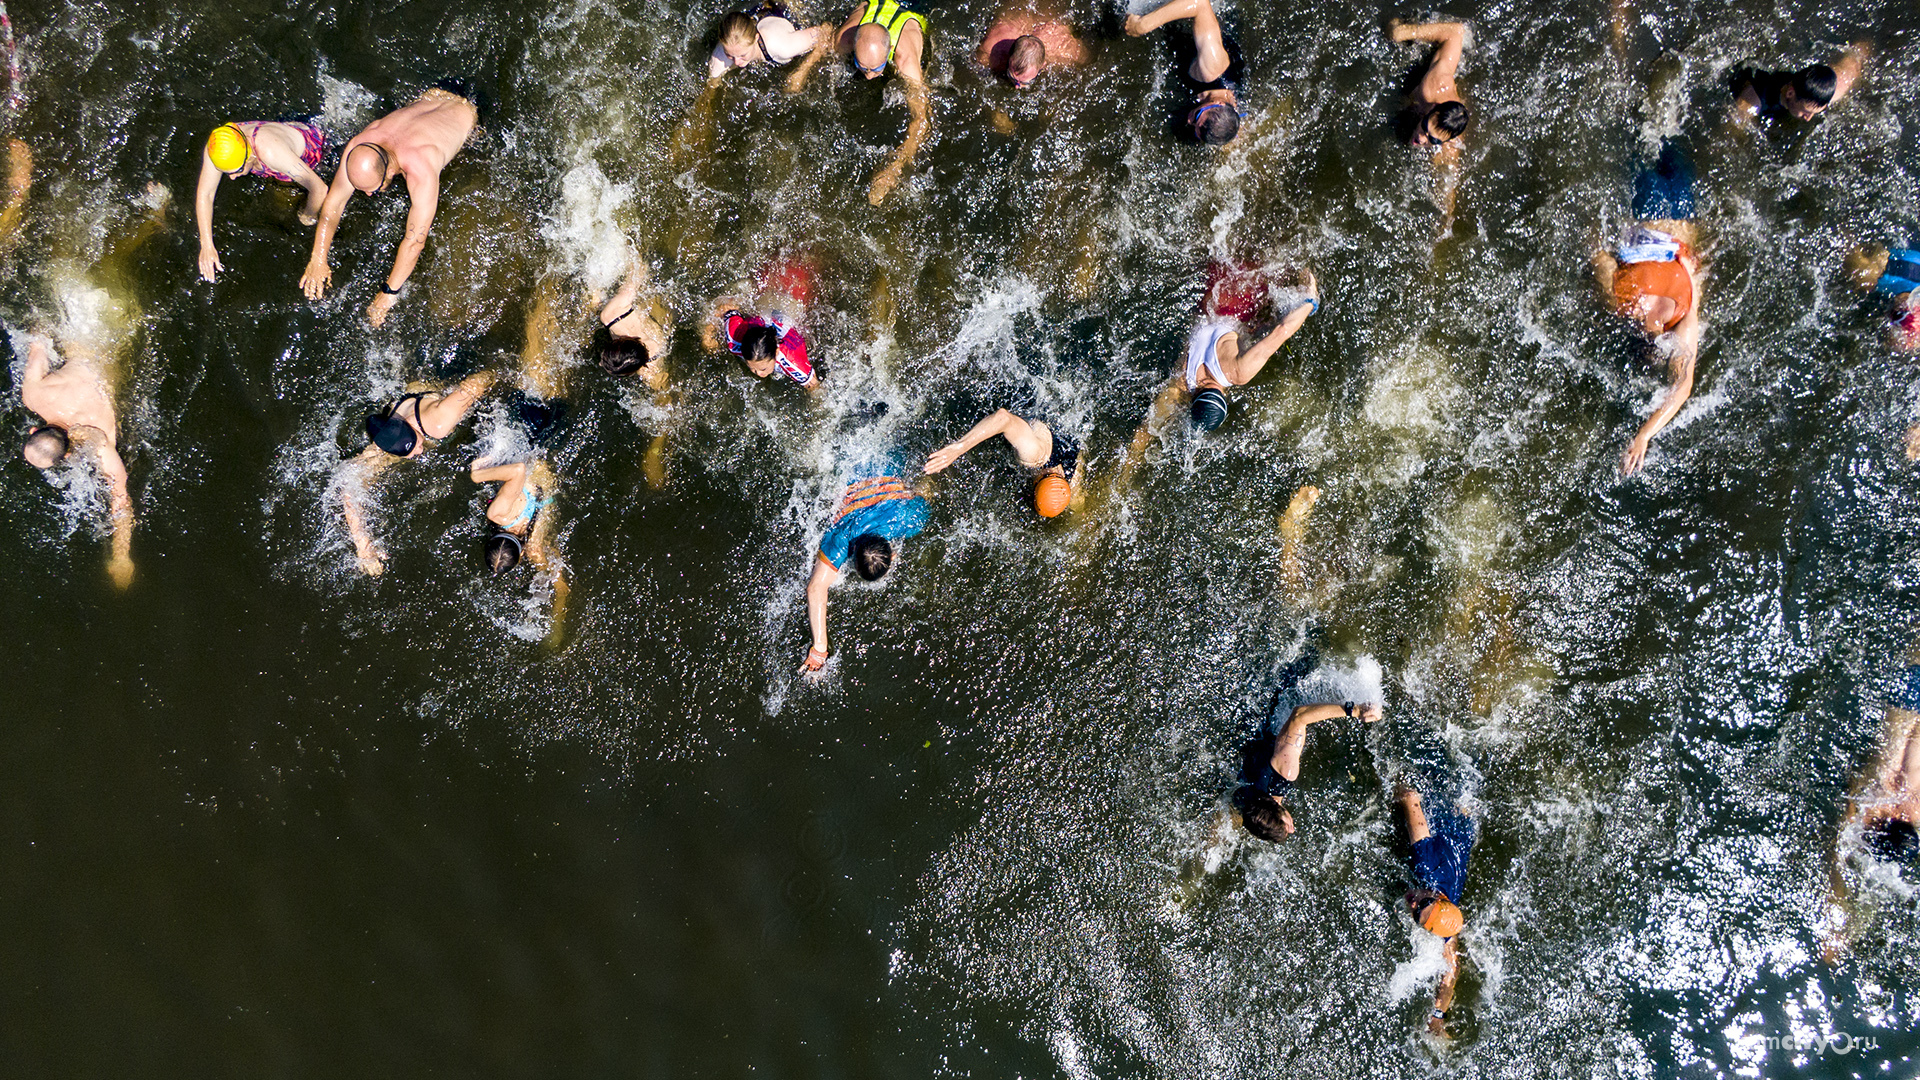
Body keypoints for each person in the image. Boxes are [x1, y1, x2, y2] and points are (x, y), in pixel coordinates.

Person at [299, 83, 481, 327]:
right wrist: (318, 258)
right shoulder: (360, 144)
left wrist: (388, 294)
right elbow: (334, 202)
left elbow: (415, 241)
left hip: (471, 114)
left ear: (388, 171)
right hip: (434, 94)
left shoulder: (422, 169)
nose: (368, 195)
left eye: (371, 189)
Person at [1593, 140, 1703, 476]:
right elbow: (1600, 257)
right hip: (1648, 213)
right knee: (1648, 134)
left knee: (1664, 135)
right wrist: (1643, 435)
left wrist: (1644, 434)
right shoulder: (1622, 304)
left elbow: (1683, 386)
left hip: (1682, 222)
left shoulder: (1681, 315)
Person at [1129, 268, 1317, 452]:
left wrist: (1310, 302)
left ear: (1224, 400)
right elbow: (1144, 432)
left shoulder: (1236, 372)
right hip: (1209, 296)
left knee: (1278, 271)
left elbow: (1281, 331)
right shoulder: (1180, 382)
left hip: (1241, 304)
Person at [338, 370, 494, 576]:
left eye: (417, 444)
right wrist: (363, 546)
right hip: (414, 392)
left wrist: (496, 383)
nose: (420, 451)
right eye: (411, 453)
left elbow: (479, 381)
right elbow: (348, 486)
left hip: (440, 390)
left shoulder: (439, 422)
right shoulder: (383, 446)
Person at [18, 335, 134, 588]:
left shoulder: (100, 440)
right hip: (82, 332)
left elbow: (121, 500)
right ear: (33, 432)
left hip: (119, 347)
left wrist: (122, 558)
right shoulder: (33, 396)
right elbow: (38, 339)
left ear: (68, 455)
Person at [1822, 663, 1920, 960]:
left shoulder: (1885, 798)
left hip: (1910, 691)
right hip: (1908, 692)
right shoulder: (1871, 799)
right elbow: (1836, 853)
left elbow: (1837, 854)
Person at [789, 1, 931, 203]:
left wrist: (894, 168)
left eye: (876, 68)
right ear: (854, 46)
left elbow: (921, 120)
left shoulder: (906, 61)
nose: (869, 76)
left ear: (889, 50)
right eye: (861, 67)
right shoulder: (844, 39)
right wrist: (800, 73)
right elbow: (824, 37)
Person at [799, 468, 931, 674]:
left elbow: (817, 588)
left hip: (870, 471)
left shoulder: (909, 520)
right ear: (893, 555)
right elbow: (814, 589)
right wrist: (819, 651)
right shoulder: (842, 540)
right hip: (878, 470)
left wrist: (820, 649)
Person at [193, 119, 329, 281]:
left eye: (237, 170)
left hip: (315, 150)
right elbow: (205, 194)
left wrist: (308, 215)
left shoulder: (271, 153)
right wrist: (207, 244)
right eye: (226, 172)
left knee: (283, 210)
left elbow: (319, 189)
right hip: (283, 139)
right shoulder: (219, 145)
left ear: (250, 156)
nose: (232, 177)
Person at [1233, 699, 1383, 841]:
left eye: (1288, 825)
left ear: (1276, 809)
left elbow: (1299, 716)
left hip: (1278, 701)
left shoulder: (1283, 773)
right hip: (1248, 721)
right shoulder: (1243, 800)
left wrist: (1355, 710)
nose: (1292, 829)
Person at [1397, 781, 1478, 1039]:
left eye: (1417, 915)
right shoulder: (1425, 865)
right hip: (1442, 805)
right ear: (1436, 896)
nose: (1413, 903)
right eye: (1421, 903)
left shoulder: (1446, 913)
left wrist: (1437, 1016)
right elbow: (1411, 798)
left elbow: (1451, 971)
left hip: (1462, 827)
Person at [923, 408, 1081, 518]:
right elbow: (1003, 418)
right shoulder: (1035, 455)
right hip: (1028, 408)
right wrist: (959, 448)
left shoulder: (1071, 479)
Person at [1125, 0, 1243, 146]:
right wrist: (1142, 25)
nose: (1189, 121)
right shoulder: (1212, 67)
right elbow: (1200, 4)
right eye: (1197, 117)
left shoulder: (1229, 118)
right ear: (1219, 103)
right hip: (1200, 15)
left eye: (1195, 128)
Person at [1387, 21, 1470, 160]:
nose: (1421, 138)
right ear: (1433, 107)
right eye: (1425, 126)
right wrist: (1409, 31)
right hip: (1423, 88)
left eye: (1433, 139)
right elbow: (1455, 32)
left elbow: (1448, 179)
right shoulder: (1433, 87)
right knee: (1395, 33)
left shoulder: (1449, 148)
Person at [1730, 45, 1867, 128]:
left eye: (1815, 112)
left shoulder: (1833, 89)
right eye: (1806, 111)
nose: (1808, 118)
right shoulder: (1750, 102)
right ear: (1790, 93)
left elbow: (1858, 54)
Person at [703, 292, 818, 390]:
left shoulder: (792, 361)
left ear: (776, 352)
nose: (758, 373)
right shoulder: (735, 340)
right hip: (767, 305)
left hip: (791, 310)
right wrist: (707, 337)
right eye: (751, 367)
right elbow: (725, 307)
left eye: (763, 369)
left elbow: (814, 387)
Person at [706, 4, 832, 87]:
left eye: (742, 55)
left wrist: (802, 72)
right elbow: (711, 87)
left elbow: (825, 32)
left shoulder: (783, 47)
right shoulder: (720, 56)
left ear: (756, 38)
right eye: (730, 55)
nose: (737, 62)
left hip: (782, 13)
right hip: (758, 12)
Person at [597, 255, 673, 390]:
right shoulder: (612, 315)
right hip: (659, 301)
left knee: (594, 301)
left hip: (665, 311)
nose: (600, 363)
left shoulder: (651, 364)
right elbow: (640, 267)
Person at [977, 7, 1088, 87]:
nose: (1017, 86)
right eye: (1010, 75)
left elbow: (1089, 58)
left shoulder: (1066, 51)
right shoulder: (990, 51)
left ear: (1043, 65)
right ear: (1009, 55)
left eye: (1026, 82)